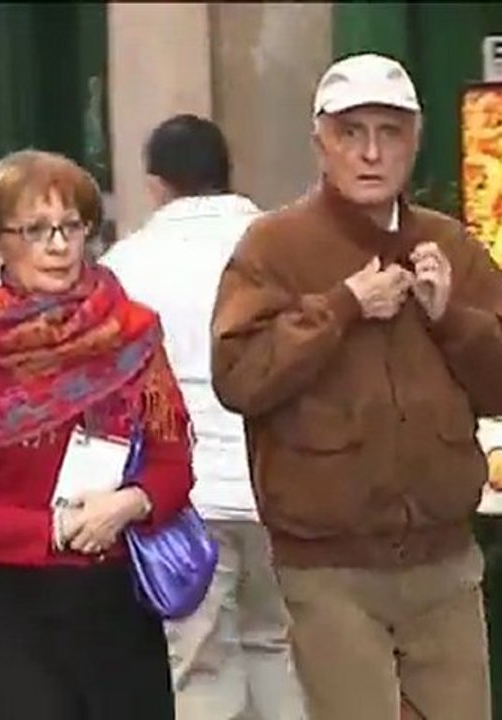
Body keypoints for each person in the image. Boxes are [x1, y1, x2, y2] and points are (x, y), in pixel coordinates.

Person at [210, 54, 502, 720]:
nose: (369, 152)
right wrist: (341, 306)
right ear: (321, 142)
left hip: (445, 560)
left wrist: (452, 316)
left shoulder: (450, 244)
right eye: (350, 132)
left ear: (414, 140)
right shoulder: (273, 246)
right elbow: (240, 376)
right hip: (328, 568)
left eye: (388, 132)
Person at [0, 149, 195, 720]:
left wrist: (129, 504)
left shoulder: (130, 333)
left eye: (72, 226)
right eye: (36, 230)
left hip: (114, 607)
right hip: (4, 611)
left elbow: (173, 464)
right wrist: (57, 528)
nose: (60, 245)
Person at [102, 114, 306, 720]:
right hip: (278, 484)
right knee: (278, 651)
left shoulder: (126, 264)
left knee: (200, 668)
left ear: (156, 184)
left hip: (184, 498)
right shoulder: (283, 247)